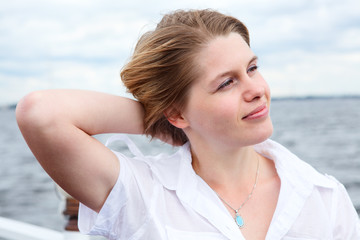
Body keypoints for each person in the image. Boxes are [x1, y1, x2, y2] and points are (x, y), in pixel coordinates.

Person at [16, 9, 359, 240]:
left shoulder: (323, 195)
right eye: (227, 83)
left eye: (252, 69)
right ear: (177, 112)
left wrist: (187, 122)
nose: (256, 90)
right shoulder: (142, 192)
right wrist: (163, 124)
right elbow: (40, 113)